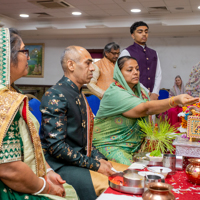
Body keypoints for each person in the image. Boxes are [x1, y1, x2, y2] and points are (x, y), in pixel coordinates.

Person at [40, 46, 128, 200]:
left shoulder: (79, 93)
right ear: (71, 65)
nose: (93, 68)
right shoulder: (56, 95)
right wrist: (94, 165)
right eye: (88, 63)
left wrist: (100, 159)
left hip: (80, 161)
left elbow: (84, 140)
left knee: (127, 172)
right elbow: (57, 147)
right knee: (114, 184)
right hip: (60, 165)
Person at [0, 28, 78, 200]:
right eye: (23, 51)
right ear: (5, 57)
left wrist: (47, 171)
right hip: (8, 187)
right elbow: (8, 169)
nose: (28, 57)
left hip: (28, 175)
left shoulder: (12, 93)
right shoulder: (3, 102)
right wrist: (46, 187)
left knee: (69, 191)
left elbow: (32, 144)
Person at [92, 56, 199, 165]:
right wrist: (174, 100)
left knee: (160, 162)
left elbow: (152, 111)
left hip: (136, 146)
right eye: (130, 70)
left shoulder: (140, 92)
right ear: (119, 73)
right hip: (110, 145)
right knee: (135, 169)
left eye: (137, 69)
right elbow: (146, 108)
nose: (135, 72)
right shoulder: (115, 93)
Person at [120, 21, 162, 100]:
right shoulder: (126, 52)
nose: (144, 34)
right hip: (135, 94)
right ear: (133, 35)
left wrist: (155, 93)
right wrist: (146, 92)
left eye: (146, 32)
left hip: (153, 96)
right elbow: (127, 76)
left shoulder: (154, 53)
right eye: (140, 32)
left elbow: (158, 74)